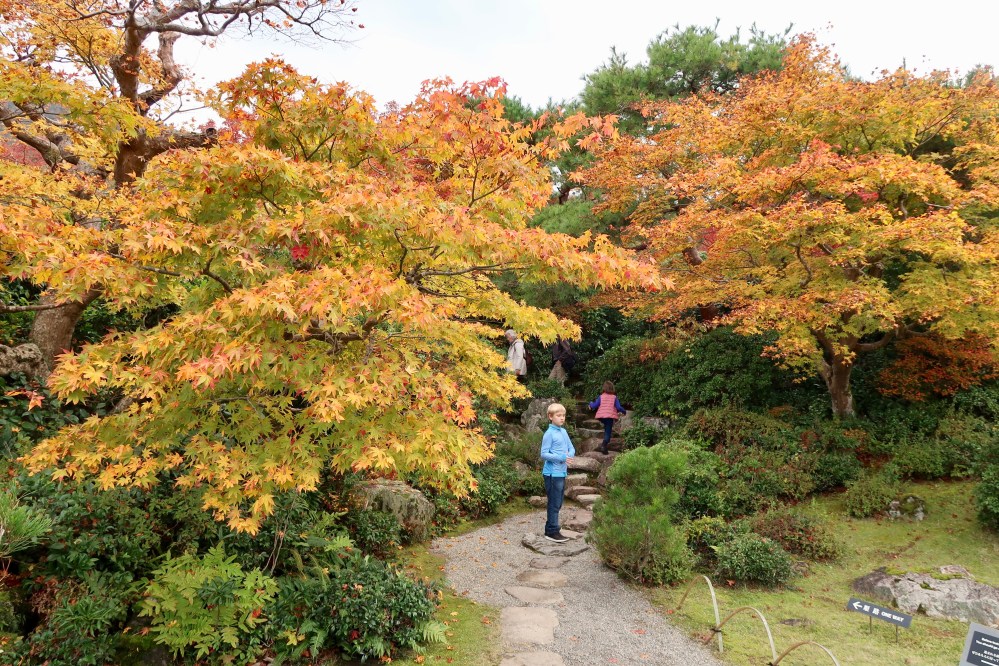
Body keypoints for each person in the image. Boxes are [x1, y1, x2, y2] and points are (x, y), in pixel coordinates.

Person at [540, 402, 574, 542]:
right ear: (550, 417)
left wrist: (569, 455)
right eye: (558, 415)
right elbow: (543, 454)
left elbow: (571, 448)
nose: (562, 418)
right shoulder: (549, 434)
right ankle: (552, 531)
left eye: (563, 415)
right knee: (554, 503)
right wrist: (561, 457)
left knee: (558, 502)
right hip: (552, 474)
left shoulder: (563, 432)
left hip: (561, 473)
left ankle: (550, 529)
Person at [588, 381, 626, 455]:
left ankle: (604, 443)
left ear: (604, 388)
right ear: (612, 388)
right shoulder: (614, 397)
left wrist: (590, 404)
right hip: (609, 417)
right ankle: (603, 445)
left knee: (606, 427)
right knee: (608, 431)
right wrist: (624, 411)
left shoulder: (601, 396)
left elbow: (594, 405)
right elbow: (618, 407)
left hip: (601, 417)